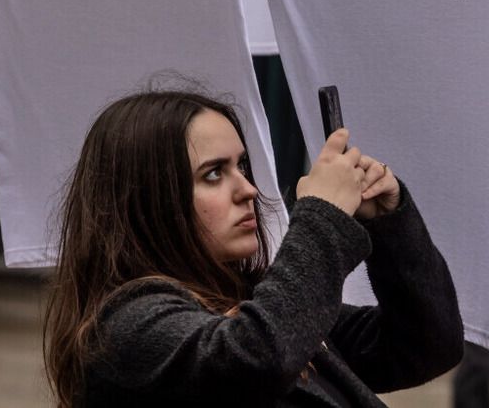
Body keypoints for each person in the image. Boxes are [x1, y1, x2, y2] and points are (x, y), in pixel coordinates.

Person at [43, 88, 463, 407]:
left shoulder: (251, 306)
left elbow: (425, 345)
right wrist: (321, 216)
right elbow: (256, 357)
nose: (247, 189)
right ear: (149, 198)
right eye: (213, 174)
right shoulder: (127, 328)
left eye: (241, 166)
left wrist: (389, 221)